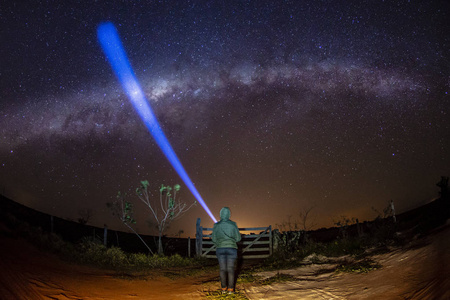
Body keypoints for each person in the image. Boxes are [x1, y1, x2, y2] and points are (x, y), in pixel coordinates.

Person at [211, 207, 241, 294]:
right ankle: (231, 290)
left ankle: (223, 289)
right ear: (229, 214)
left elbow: (213, 239)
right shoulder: (233, 224)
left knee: (222, 269)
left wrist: (219, 243)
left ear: (220, 214)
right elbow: (238, 238)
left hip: (220, 249)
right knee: (231, 269)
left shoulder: (216, 225)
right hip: (231, 249)